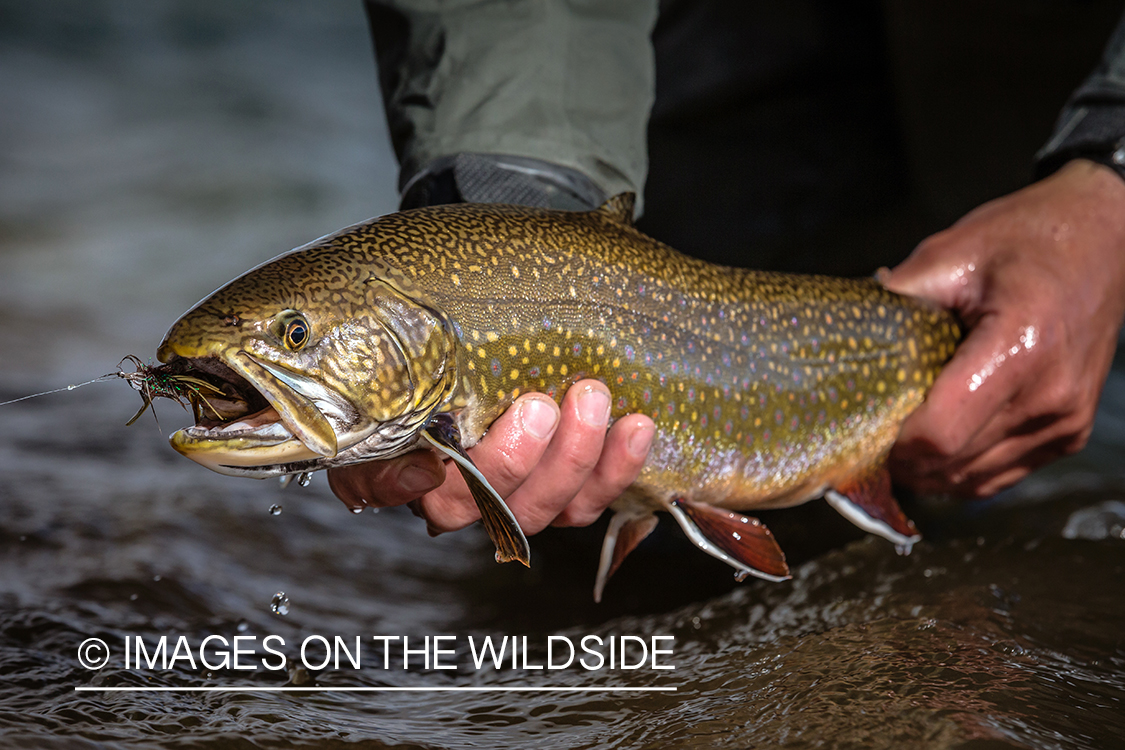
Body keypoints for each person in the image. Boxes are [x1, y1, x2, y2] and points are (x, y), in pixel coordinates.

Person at [328, 1, 1125, 542]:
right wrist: (509, 204)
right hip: (700, 57)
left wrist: (1108, 177)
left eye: (299, 338)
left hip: (1056, 58)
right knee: (574, 531)